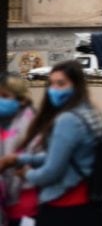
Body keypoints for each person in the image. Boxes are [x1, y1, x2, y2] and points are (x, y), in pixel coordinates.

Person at [0, 61, 102, 226]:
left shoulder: (68, 120)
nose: (53, 90)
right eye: (51, 83)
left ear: (76, 86)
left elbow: (52, 171)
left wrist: (26, 174)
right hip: (91, 202)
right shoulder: (92, 113)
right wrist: (21, 159)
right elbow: (59, 156)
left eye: (61, 83)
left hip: (66, 205)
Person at [0, 76, 38, 226]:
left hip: (25, 201)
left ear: (22, 99)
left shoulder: (31, 123)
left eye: (5, 96)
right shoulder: (3, 120)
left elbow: (37, 158)